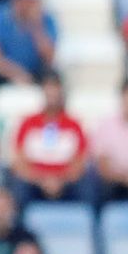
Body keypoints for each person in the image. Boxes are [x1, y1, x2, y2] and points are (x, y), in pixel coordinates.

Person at [9, 70, 90, 208]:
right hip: (34, 183)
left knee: (88, 185)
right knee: (17, 186)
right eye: (48, 87)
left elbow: (80, 162)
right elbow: (19, 161)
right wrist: (42, 180)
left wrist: (59, 181)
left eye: (55, 88)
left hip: (66, 183)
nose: (52, 93)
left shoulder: (74, 125)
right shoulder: (28, 123)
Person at [0, 0, 57, 85]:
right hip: (4, 76)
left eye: (29, 2)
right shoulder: (0, 17)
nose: (24, 6)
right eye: (20, 1)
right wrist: (16, 73)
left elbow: (49, 58)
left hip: (36, 75)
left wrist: (36, 26)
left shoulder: (46, 20)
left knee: (52, 80)